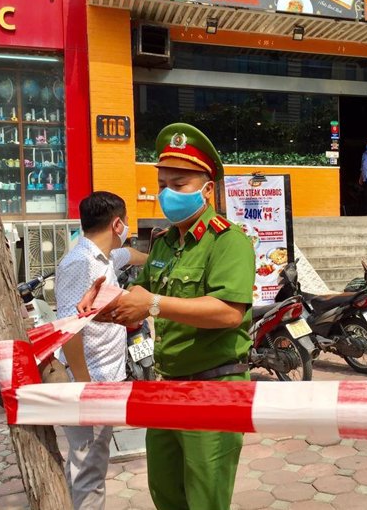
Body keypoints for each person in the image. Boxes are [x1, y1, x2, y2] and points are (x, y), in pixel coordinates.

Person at [78, 123, 256, 510]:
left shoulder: (229, 241)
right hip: (166, 386)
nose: (168, 194)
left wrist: (153, 304)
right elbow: (138, 299)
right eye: (163, 184)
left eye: (180, 183)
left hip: (215, 389)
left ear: (207, 190)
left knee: (205, 499)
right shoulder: (164, 243)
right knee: (166, 494)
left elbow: (229, 313)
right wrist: (105, 304)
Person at [55, 191, 148, 510]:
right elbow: (69, 328)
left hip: (105, 378)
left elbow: (133, 256)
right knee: (89, 468)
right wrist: (84, 386)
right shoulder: (80, 263)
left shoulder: (105, 256)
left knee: (90, 461)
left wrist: (162, 254)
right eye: (126, 225)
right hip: (89, 382)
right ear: (117, 223)